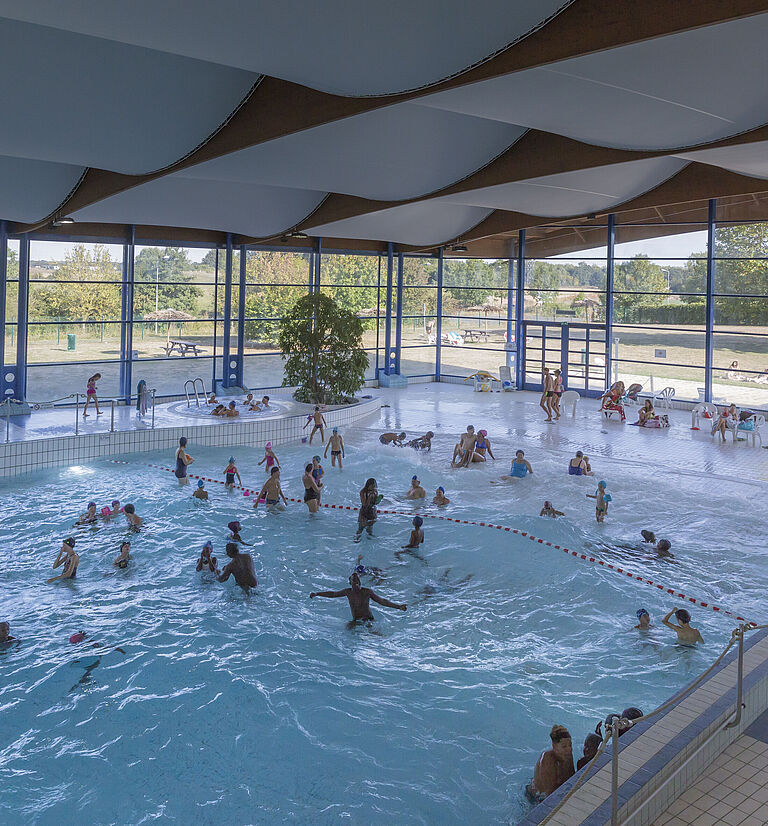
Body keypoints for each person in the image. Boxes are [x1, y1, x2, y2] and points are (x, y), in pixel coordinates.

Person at [309, 572, 406, 622]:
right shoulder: (348, 592)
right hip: (356, 621)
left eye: (357, 579)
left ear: (360, 582)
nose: (355, 580)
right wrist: (317, 594)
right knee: (347, 635)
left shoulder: (367, 592)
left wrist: (398, 606)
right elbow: (332, 594)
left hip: (368, 620)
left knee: (376, 636)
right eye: (353, 579)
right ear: (350, 582)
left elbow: (382, 601)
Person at [527, 725, 575, 801]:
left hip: (554, 791)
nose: (569, 749)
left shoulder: (567, 755)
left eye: (570, 745)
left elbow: (572, 780)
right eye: (564, 746)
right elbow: (550, 795)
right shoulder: (548, 759)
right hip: (535, 797)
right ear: (554, 746)